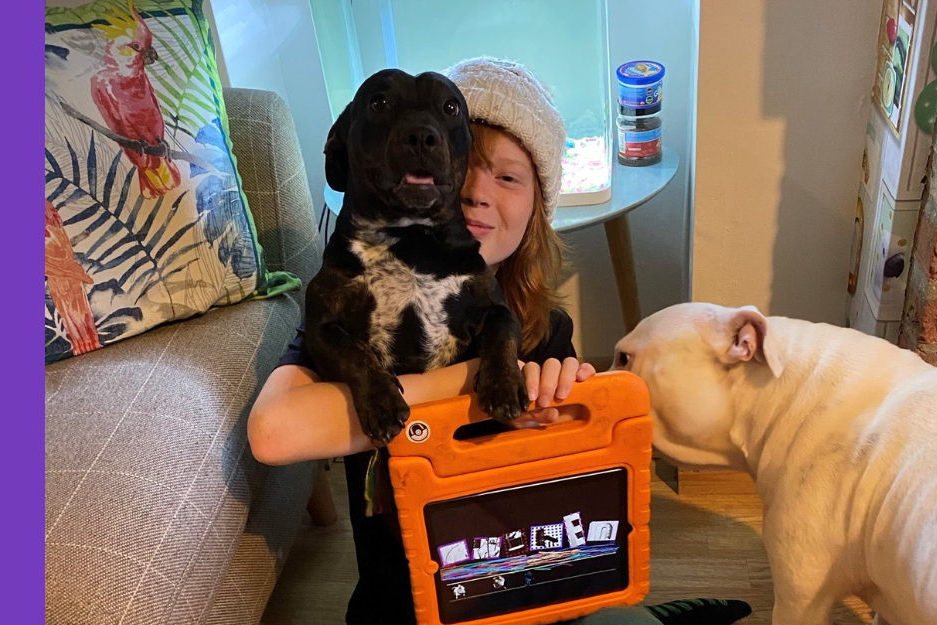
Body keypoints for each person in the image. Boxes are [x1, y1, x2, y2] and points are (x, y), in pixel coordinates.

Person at [248, 57, 749, 625]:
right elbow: (274, 431)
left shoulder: (542, 331)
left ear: (539, 206)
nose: (477, 195)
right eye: (466, 173)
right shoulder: (349, 304)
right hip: (404, 605)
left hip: (526, 595)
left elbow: (569, 500)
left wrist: (567, 413)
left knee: (616, 617)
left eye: (508, 178)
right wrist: (472, 380)